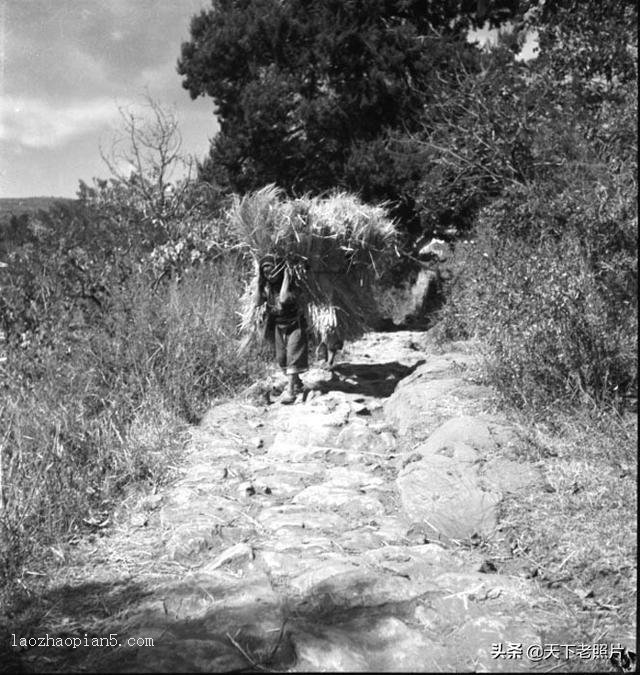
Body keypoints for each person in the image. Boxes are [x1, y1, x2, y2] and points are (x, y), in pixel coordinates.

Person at [254, 254, 308, 404]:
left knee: (293, 355)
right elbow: (257, 302)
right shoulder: (267, 287)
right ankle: (296, 382)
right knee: (281, 359)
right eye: (264, 271)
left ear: (279, 269)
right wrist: (259, 282)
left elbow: (284, 299)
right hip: (279, 326)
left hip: (295, 325)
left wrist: (286, 277)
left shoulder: (293, 285)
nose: (268, 274)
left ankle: (291, 391)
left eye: (271, 269)